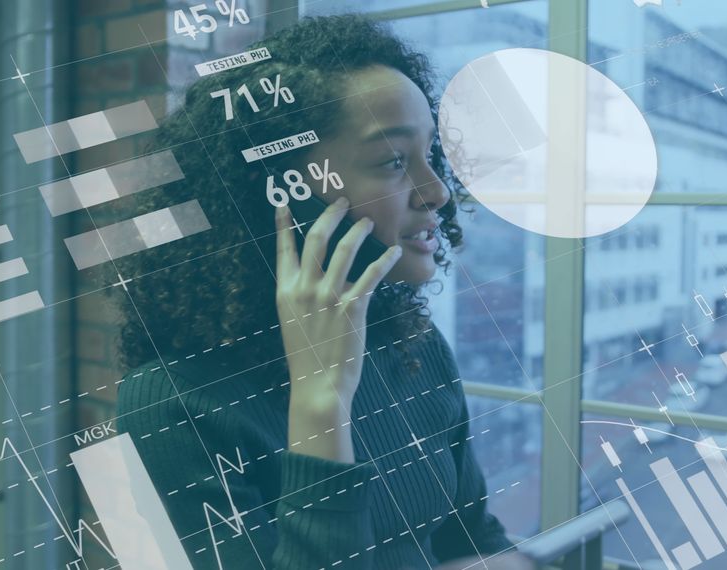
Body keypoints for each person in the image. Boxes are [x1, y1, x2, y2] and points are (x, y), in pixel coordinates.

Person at [113, 14, 533, 570]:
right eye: (392, 162)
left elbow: (472, 541)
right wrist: (319, 404)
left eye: (431, 157)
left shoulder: (413, 348)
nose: (436, 193)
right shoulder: (176, 406)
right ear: (284, 195)